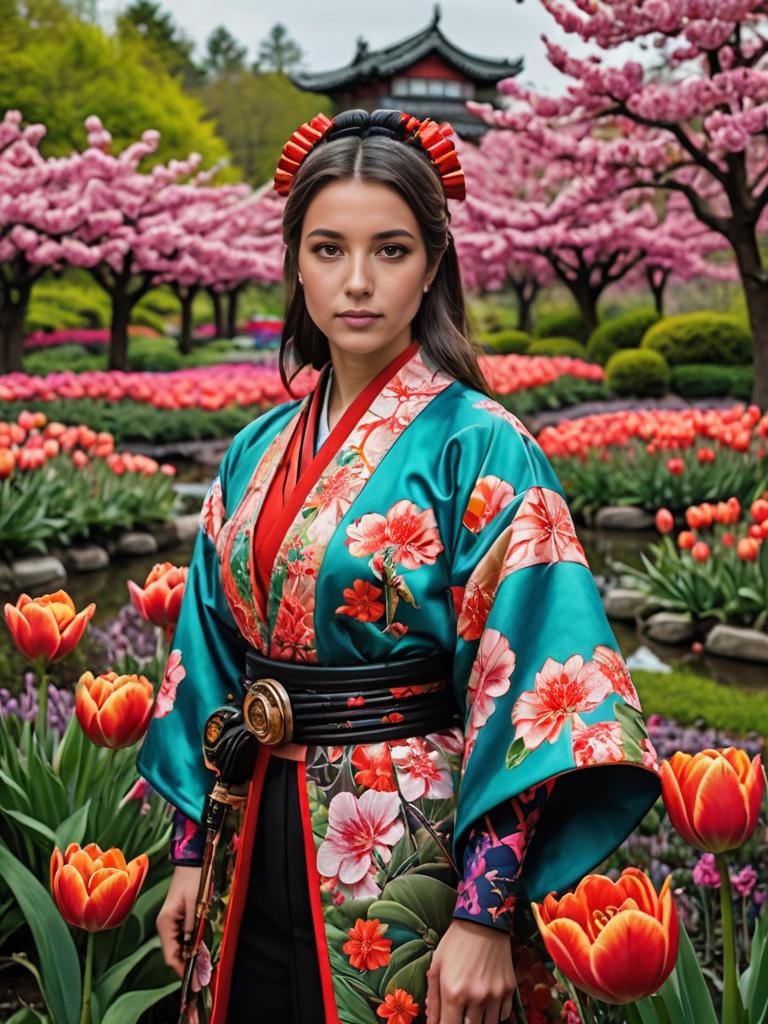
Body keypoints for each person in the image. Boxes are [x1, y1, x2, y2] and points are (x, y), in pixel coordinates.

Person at [137, 108, 662, 1024]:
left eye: (391, 250)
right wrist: (191, 848)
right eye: (329, 249)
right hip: (248, 822)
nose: (357, 282)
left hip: (404, 847)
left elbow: (535, 686)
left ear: (433, 265)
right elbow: (206, 661)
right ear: (296, 262)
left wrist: (485, 912)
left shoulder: (483, 447)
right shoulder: (251, 452)